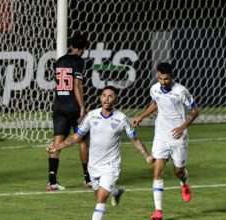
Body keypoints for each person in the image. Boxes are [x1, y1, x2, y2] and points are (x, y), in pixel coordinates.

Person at [47, 86, 154, 220]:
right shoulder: (92, 116)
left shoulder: (121, 118)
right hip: (93, 166)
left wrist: (147, 156)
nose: (106, 99)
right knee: (99, 195)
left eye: (110, 96)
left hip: (111, 165)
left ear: (116, 99)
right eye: (104, 95)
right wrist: (57, 147)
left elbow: (135, 139)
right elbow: (76, 137)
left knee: (101, 199)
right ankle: (116, 191)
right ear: (100, 97)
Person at [133, 62, 200, 220]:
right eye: (161, 78)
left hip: (178, 137)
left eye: (166, 78)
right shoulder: (154, 89)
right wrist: (141, 116)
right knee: (157, 172)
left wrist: (183, 126)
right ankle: (158, 211)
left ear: (172, 77)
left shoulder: (181, 91)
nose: (163, 81)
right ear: (157, 76)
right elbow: (155, 103)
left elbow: (195, 111)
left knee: (179, 171)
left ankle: (184, 184)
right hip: (161, 135)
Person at [46, 32, 91, 191]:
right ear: (83, 48)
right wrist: (82, 107)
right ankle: (88, 179)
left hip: (59, 106)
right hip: (73, 107)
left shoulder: (58, 61)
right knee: (83, 141)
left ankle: (52, 181)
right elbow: (76, 85)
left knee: (57, 143)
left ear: (71, 46)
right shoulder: (79, 62)